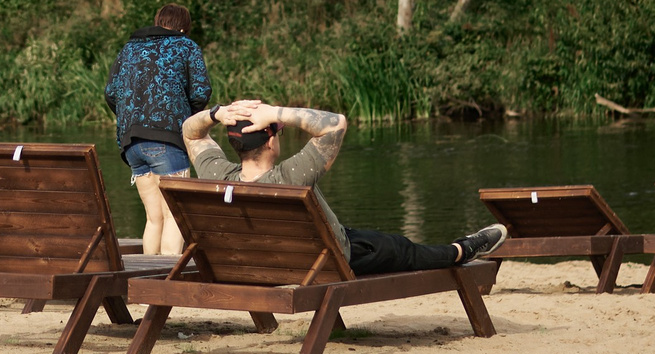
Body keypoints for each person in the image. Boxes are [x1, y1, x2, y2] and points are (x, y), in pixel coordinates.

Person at [180, 99, 505, 275]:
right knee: (401, 249)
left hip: (253, 263)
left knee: (360, 237)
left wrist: (216, 113)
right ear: (270, 141)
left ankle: (462, 247)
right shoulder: (290, 177)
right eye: (276, 131)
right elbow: (336, 124)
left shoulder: (218, 175)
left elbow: (190, 133)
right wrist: (276, 112)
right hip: (320, 261)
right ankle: (463, 249)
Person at [103, 3, 212, 255]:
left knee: (154, 218)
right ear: (184, 27)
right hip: (168, 141)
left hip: (131, 144)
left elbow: (110, 93)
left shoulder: (128, 49)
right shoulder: (187, 46)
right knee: (175, 217)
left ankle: (145, 284)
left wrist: (133, 118)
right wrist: (186, 119)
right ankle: (164, 286)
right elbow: (200, 92)